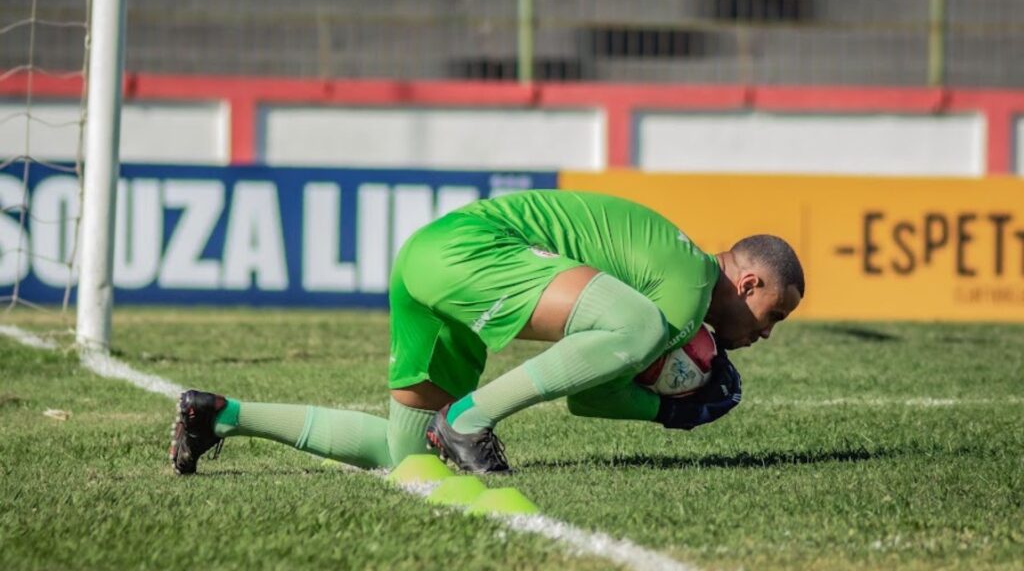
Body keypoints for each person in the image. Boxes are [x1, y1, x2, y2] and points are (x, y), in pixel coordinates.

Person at [170, 189, 804, 475]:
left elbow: (590, 391)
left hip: (429, 260)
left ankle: (221, 415)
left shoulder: (675, 275)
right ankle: (469, 420)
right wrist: (670, 410)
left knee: (407, 455)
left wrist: (663, 410)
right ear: (748, 285)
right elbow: (605, 381)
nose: (765, 334)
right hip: (471, 251)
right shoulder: (689, 283)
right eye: (772, 314)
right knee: (638, 324)